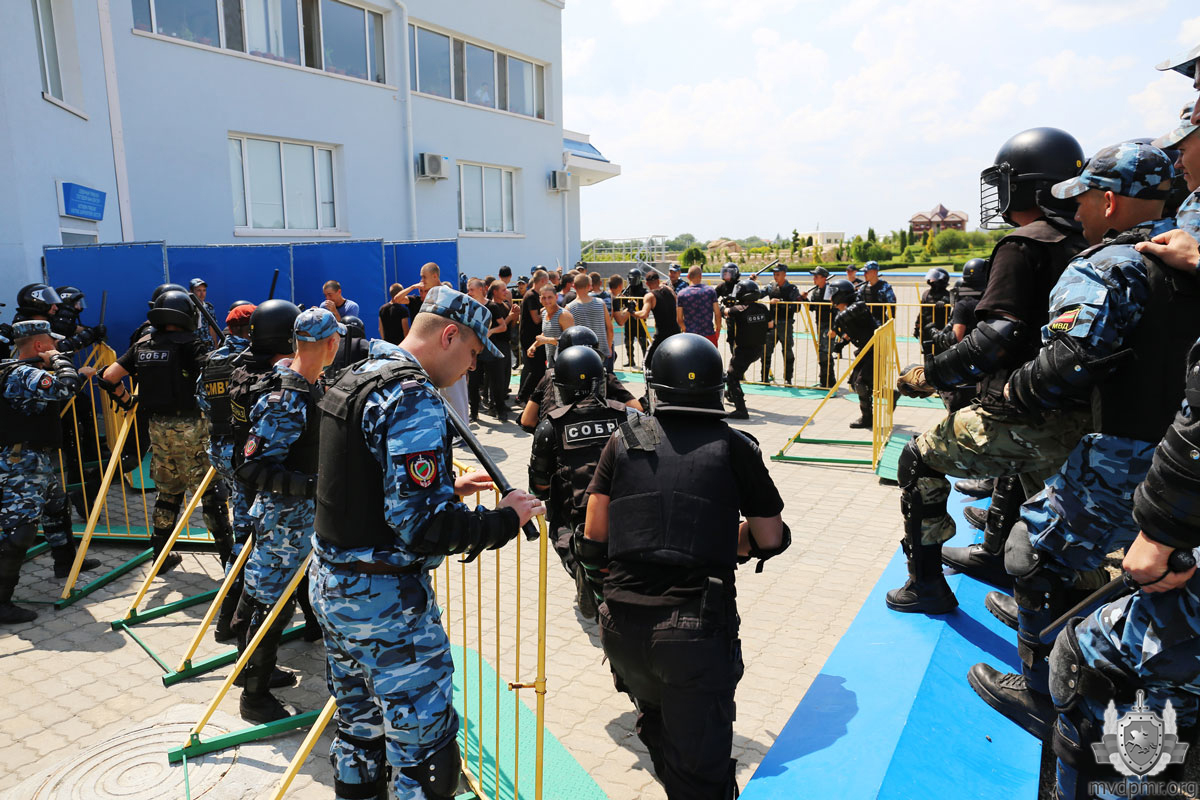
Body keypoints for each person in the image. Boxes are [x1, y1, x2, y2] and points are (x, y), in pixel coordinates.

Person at [964, 142, 1199, 741]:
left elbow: (1067, 361)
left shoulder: (1109, 265)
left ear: (1110, 202)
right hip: (1184, 457)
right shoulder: (1190, 251)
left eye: (1085, 198)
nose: (1079, 211)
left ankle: (1041, 693)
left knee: (1031, 552)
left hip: (1127, 457)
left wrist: (1009, 392)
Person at [310, 285, 543, 800]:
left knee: (359, 733)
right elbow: (423, 528)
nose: (472, 367)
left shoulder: (357, 375)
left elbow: (359, 482)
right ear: (450, 335)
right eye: (473, 353)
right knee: (425, 755)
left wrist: (444, 487)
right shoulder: (412, 397)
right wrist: (504, 520)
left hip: (333, 586)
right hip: (385, 607)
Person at [887, 127, 1090, 615]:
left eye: (1005, 182)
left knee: (917, 460)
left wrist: (931, 375)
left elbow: (997, 337)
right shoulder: (1091, 240)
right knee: (1041, 497)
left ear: (1028, 187)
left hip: (1025, 411)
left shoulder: (1024, 244)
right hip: (1085, 414)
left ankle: (925, 586)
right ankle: (1015, 568)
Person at [578, 332, 788, 799]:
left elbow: (593, 537)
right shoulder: (735, 445)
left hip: (622, 626)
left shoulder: (625, 437)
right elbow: (770, 538)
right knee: (701, 775)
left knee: (660, 731)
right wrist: (728, 540)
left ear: (655, 385)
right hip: (694, 632)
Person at [232, 307, 344, 723]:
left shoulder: (310, 386)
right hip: (284, 523)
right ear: (330, 344)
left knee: (265, 594)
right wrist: (315, 485)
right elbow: (251, 467)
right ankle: (254, 697)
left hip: (300, 521)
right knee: (272, 605)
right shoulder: (286, 399)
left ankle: (251, 670)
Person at [99, 290, 234, 572]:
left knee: (168, 492)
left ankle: (160, 557)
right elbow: (215, 378)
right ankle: (228, 561)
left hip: (158, 429)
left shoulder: (143, 344)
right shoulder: (191, 344)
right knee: (210, 494)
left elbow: (109, 377)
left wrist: (128, 401)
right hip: (192, 428)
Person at [0, 320, 97, 623]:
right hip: (20, 462)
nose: (56, 347)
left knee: (56, 504)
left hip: (33, 458)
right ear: (40, 346)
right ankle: (1, 602)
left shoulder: (17, 371)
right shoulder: (25, 373)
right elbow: (65, 388)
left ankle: (65, 562)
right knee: (21, 529)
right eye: (52, 344)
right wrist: (59, 360)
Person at [529, 344, 628, 619]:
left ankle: (579, 566)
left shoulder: (550, 426)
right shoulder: (628, 416)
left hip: (576, 516)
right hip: (626, 509)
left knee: (557, 522)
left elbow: (538, 487)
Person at [223, 299, 302, 643]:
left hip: (245, 474)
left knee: (244, 550)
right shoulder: (279, 384)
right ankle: (249, 643)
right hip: (274, 486)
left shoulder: (241, 369)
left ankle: (225, 622)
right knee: (269, 568)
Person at [196, 301, 255, 640]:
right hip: (244, 454)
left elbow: (202, 400)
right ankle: (228, 619)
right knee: (245, 537)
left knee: (243, 524)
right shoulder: (250, 360)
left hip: (220, 449)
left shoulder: (213, 360)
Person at [519, 326, 641, 430]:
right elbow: (638, 410)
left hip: (559, 444)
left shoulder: (550, 376)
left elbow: (527, 421)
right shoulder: (605, 377)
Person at [828, 278, 880, 429]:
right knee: (855, 383)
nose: (831, 298)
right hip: (865, 350)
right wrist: (841, 344)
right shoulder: (848, 312)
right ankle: (891, 396)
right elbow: (853, 331)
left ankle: (867, 418)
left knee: (861, 383)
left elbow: (857, 309)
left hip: (874, 349)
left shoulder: (858, 306)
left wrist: (837, 321)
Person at [722, 279, 771, 420]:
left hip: (743, 350)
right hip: (758, 349)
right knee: (735, 374)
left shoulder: (740, 309)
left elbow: (725, 311)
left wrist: (724, 305)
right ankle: (731, 394)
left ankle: (741, 410)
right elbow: (770, 325)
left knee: (732, 377)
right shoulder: (762, 308)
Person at [634, 271, 682, 372]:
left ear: (647, 283)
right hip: (676, 332)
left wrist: (631, 312)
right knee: (675, 360)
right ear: (659, 280)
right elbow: (677, 304)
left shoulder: (650, 296)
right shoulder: (669, 289)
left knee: (647, 362)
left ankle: (652, 380)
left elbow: (644, 314)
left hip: (662, 336)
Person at [567, 272, 613, 373]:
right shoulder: (601, 303)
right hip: (601, 350)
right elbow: (609, 328)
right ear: (589, 286)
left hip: (580, 353)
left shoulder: (569, 308)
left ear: (573, 286)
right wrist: (609, 347)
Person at [764, 264, 803, 384]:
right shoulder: (770, 286)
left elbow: (797, 308)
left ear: (784, 274)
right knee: (766, 350)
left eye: (778, 274)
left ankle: (788, 378)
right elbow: (757, 293)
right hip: (772, 324)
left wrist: (781, 302)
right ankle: (764, 377)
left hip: (786, 324)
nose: (775, 277)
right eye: (774, 274)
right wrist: (751, 282)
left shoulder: (792, 289)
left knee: (787, 351)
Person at [518, 270, 550, 402]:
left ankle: (528, 396)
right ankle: (523, 396)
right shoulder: (531, 296)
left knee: (536, 369)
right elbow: (536, 319)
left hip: (536, 338)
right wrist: (547, 308)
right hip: (530, 338)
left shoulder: (535, 295)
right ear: (542, 281)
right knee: (536, 370)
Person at [529, 284, 573, 369]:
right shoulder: (544, 313)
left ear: (556, 297)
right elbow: (546, 332)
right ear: (540, 299)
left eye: (550, 297)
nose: (547, 300)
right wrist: (534, 345)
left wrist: (546, 340)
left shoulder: (564, 315)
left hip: (565, 364)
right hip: (552, 364)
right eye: (544, 298)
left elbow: (570, 341)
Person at [677, 266, 722, 347]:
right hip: (709, 334)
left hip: (690, 336)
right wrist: (717, 330)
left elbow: (679, 319)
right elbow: (717, 314)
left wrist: (685, 330)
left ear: (688, 277)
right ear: (701, 276)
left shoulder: (681, 294)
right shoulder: (710, 291)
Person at [915, 267, 952, 359]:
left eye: (934, 277)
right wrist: (917, 326)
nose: (931, 280)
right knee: (927, 356)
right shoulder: (926, 294)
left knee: (940, 356)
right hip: (926, 331)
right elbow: (922, 312)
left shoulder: (947, 295)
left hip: (940, 331)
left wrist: (946, 301)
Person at [807, 267, 835, 387]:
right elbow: (812, 307)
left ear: (824, 278)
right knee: (823, 352)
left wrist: (834, 328)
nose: (814, 279)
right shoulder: (816, 291)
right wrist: (804, 299)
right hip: (820, 324)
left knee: (825, 352)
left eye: (816, 276)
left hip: (829, 325)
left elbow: (836, 309)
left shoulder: (831, 290)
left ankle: (828, 380)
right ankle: (826, 379)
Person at [621, 268, 649, 368]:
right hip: (628, 320)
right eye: (630, 279)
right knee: (628, 341)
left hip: (639, 319)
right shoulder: (626, 291)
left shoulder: (644, 292)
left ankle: (646, 362)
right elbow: (621, 303)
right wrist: (623, 298)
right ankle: (630, 361)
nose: (631, 281)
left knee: (643, 342)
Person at [714, 263, 740, 349]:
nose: (725, 275)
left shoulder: (741, 285)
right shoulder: (721, 286)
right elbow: (712, 299)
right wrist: (721, 309)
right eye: (724, 273)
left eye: (727, 273)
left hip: (741, 317)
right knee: (731, 340)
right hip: (729, 318)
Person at [190, 278, 221, 348]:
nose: (202, 293)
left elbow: (212, 328)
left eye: (204, 290)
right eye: (199, 290)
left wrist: (216, 346)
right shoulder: (188, 307)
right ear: (191, 291)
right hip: (194, 347)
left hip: (208, 347)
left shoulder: (209, 307)